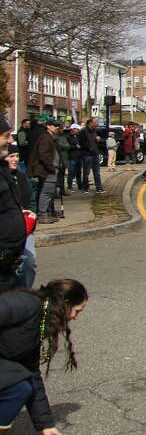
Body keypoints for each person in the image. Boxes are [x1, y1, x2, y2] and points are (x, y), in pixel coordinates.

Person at [0, 278, 88, 435]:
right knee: (17, 384)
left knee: (21, 386)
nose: (76, 317)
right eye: (77, 311)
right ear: (65, 304)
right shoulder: (25, 304)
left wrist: (45, 425)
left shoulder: (40, 324)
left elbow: (32, 373)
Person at [0, 118, 32, 294]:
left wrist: (19, 215)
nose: (10, 140)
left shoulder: (4, 168)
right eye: (6, 136)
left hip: (9, 258)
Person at [26, 120, 63, 221]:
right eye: (54, 125)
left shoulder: (49, 137)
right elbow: (43, 155)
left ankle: (48, 212)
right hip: (47, 170)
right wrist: (51, 167)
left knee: (48, 192)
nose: (57, 127)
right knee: (46, 191)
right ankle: (43, 214)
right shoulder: (45, 137)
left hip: (48, 169)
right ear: (48, 126)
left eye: (57, 125)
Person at [76, 119, 103, 194]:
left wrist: (98, 140)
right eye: (95, 122)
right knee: (86, 172)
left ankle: (99, 187)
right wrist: (89, 148)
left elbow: (96, 140)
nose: (96, 124)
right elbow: (81, 142)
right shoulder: (83, 131)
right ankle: (85, 187)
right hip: (87, 154)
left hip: (95, 153)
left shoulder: (95, 131)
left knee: (97, 172)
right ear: (90, 123)